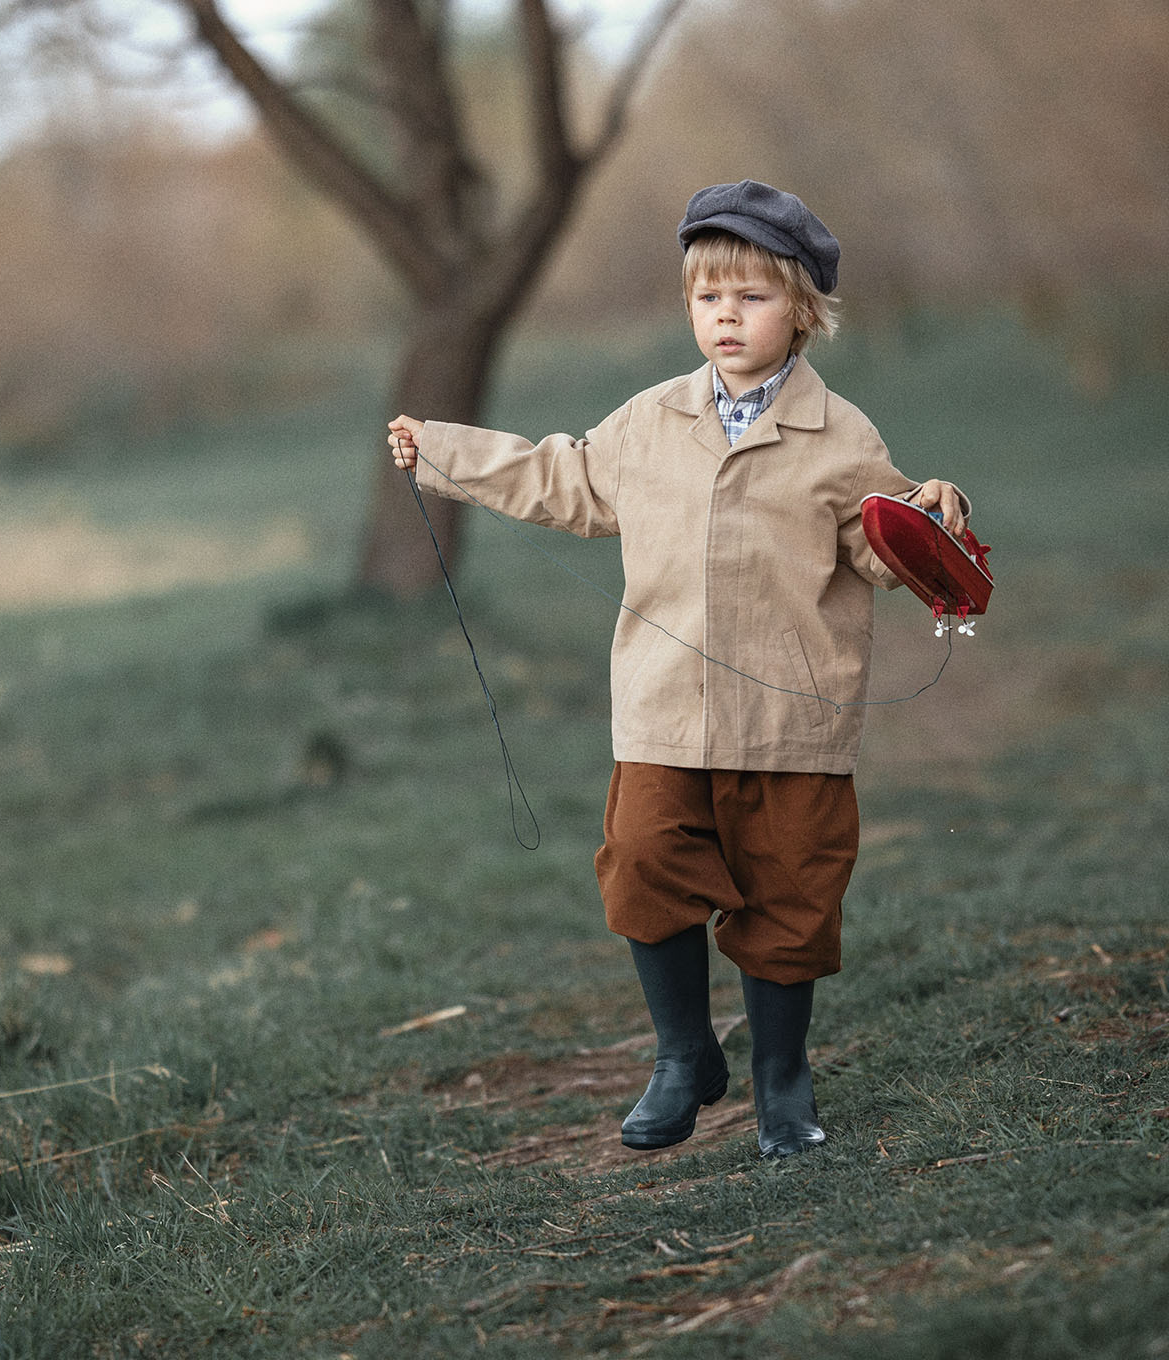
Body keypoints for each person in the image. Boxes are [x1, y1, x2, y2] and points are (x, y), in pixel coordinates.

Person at [385, 180, 968, 1160]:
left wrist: (931, 519)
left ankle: (782, 1080)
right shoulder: (650, 420)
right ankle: (683, 1053)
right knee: (645, 860)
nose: (726, 316)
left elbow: (881, 551)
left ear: (806, 313)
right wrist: (441, 451)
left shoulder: (843, 438)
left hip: (794, 721)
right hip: (663, 709)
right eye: (707, 297)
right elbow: (557, 476)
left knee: (789, 895)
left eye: (752, 297)